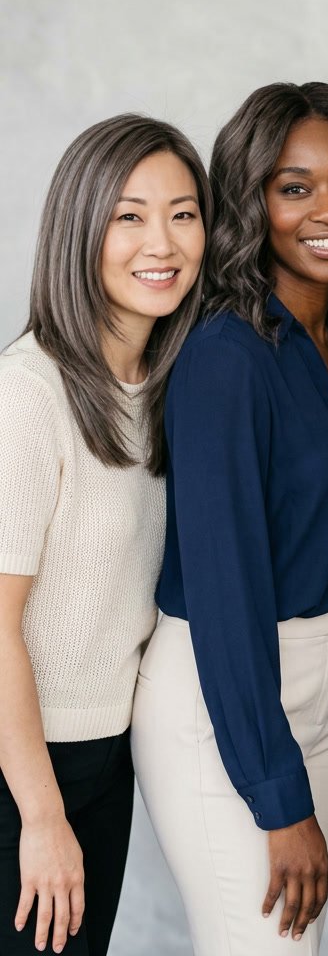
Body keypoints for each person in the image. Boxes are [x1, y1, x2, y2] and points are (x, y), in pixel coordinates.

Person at [131, 81, 328, 955]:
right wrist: (278, 796)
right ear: (252, 201)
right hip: (228, 695)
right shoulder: (226, 357)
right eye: (295, 187)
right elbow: (226, 590)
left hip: (326, 680)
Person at [0, 115, 209, 956]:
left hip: (103, 758)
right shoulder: (29, 394)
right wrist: (41, 816)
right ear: (81, 226)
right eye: (129, 215)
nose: (161, 242)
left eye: (184, 213)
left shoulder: (163, 391)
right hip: (22, 770)